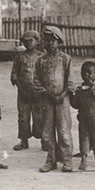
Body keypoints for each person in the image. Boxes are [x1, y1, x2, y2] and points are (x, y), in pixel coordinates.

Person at [34, 26, 74, 172]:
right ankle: (51, 160)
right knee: (47, 132)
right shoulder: (40, 60)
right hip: (47, 100)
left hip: (62, 101)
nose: (50, 44)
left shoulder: (65, 59)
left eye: (53, 41)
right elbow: (36, 81)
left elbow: (70, 81)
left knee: (63, 131)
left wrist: (62, 95)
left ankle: (67, 160)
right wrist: (48, 95)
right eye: (47, 41)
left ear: (59, 42)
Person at [70, 61, 95, 170]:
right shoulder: (79, 90)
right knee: (83, 138)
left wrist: (94, 85)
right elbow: (76, 105)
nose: (86, 75)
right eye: (83, 72)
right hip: (83, 119)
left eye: (89, 73)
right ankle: (84, 160)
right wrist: (71, 97)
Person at [11, 30, 44, 151]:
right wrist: (21, 89)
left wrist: (40, 90)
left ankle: (43, 140)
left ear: (37, 41)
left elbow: (45, 76)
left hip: (38, 93)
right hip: (23, 93)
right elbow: (14, 75)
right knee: (23, 117)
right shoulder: (19, 57)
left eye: (31, 40)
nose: (28, 43)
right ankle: (23, 141)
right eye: (25, 41)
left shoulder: (42, 57)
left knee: (39, 117)